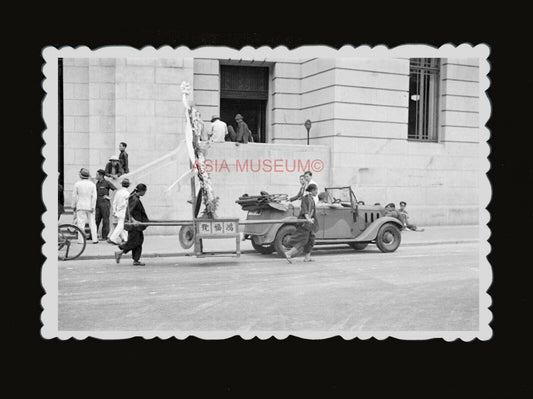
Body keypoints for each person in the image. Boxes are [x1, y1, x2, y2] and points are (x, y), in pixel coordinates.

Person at [115, 183, 149, 266]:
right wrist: (134, 221)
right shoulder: (134, 199)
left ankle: (136, 260)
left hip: (138, 226)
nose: (145, 193)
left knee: (139, 241)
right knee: (134, 242)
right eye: (144, 191)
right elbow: (128, 212)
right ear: (141, 191)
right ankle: (120, 252)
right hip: (134, 226)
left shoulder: (135, 197)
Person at [283, 183, 319, 263]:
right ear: (312, 190)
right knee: (303, 240)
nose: (317, 192)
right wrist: (308, 219)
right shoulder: (305, 198)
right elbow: (305, 210)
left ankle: (307, 257)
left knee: (311, 240)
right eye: (316, 190)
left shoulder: (311, 198)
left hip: (310, 223)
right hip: (305, 223)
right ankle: (289, 253)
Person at [71, 168, 98, 244]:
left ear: (81, 175)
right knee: (92, 223)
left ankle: (81, 240)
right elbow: (94, 197)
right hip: (90, 206)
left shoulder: (77, 184)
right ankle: (95, 239)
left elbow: (74, 196)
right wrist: (93, 206)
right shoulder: (92, 184)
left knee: (81, 224)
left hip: (80, 205)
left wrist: (73, 205)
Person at [95, 169, 116, 241]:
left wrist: (109, 197)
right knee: (96, 220)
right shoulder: (97, 183)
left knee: (105, 221)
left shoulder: (107, 183)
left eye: (97, 175)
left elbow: (115, 189)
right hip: (97, 204)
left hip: (105, 204)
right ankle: (93, 236)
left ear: (101, 175)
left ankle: (104, 236)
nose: (96, 176)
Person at [108, 178, 131, 245]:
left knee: (122, 226)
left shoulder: (118, 192)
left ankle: (126, 239)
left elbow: (114, 202)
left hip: (118, 211)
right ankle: (113, 238)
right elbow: (126, 204)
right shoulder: (127, 193)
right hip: (123, 212)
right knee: (120, 226)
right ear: (128, 185)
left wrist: (114, 211)